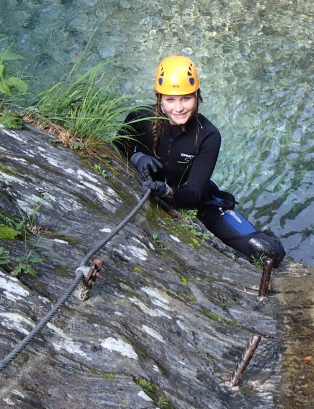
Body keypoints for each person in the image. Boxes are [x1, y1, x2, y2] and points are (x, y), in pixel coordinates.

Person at [114, 55, 285, 266]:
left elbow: (193, 194)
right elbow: (116, 147)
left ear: (197, 95)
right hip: (157, 187)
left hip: (198, 201)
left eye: (186, 98)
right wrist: (136, 157)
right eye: (170, 100)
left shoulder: (208, 135)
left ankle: (266, 235)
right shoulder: (140, 118)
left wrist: (166, 190)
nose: (178, 108)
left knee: (268, 252)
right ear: (159, 98)